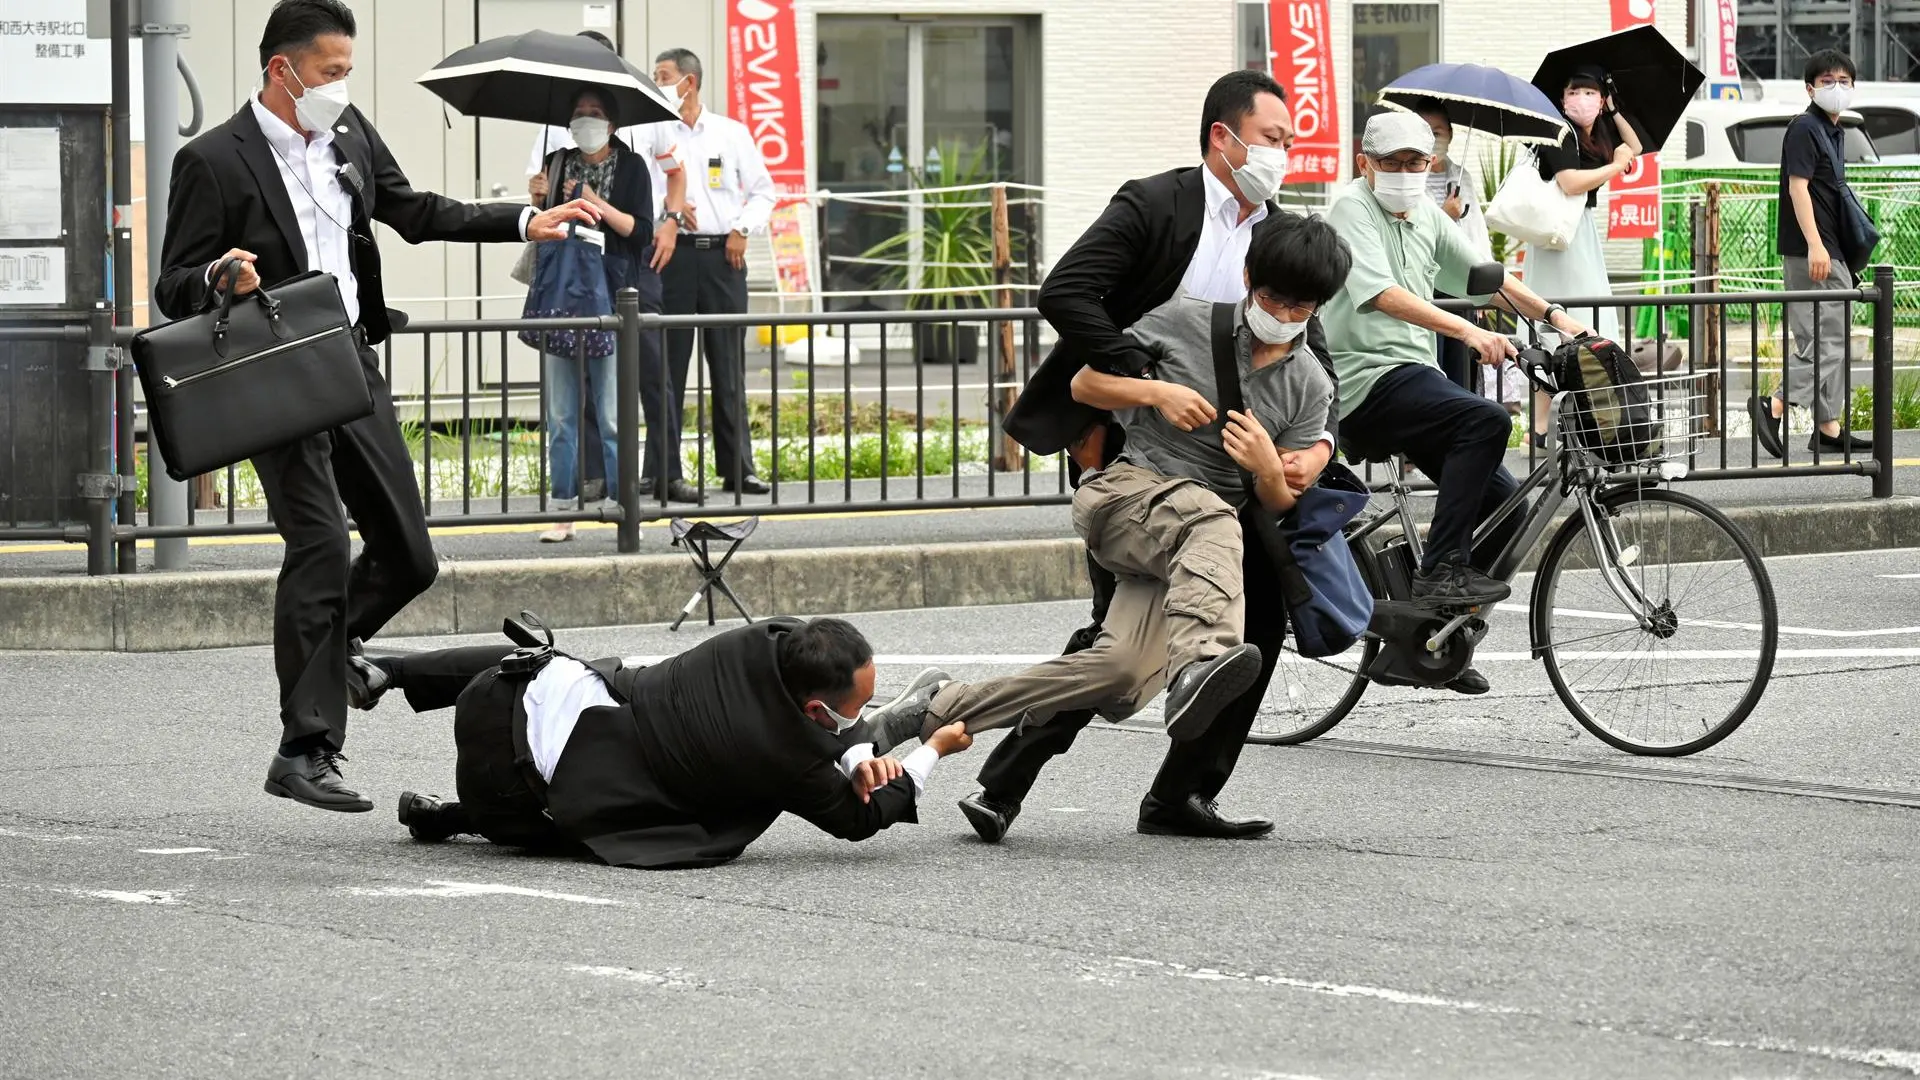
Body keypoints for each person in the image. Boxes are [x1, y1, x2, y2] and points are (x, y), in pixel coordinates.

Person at [153, 0, 599, 813]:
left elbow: (416, 211)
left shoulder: (349, 134)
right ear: (281, 69)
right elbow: (173, 282)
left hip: (350, 361)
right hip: (273, 370)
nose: (341, 86)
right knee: (320, 544)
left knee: (409, 554)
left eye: (347, 72)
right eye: (330, 72)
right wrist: (222, 276)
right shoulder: (214, 159)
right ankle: (306, 747)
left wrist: (527, 219)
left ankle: (333, 653)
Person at [867, 215, 1346, 841]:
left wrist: (1264, 467)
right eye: (1272, 297)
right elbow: (1084, 382)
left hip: (1192, 545)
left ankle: (935, 706)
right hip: (1125, 497)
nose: (1282, 313)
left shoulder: (1309, 383)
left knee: (1116, 669)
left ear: (1318, 306)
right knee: (1212, 519)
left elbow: (1280, 500)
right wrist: (1156, 395)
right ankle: (1203, 660)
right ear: (1249, 279)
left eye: (1300, 305)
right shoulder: (1186, 319)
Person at [967, 71, 1342, 844]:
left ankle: (1183, 793)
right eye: (1272, 139)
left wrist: (1320, 447)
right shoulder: (1157, 205)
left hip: (1238, 469)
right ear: (1223, 137)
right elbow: (1066, 292)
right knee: (1119, 629)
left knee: (1260, 619)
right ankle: (1006, 781)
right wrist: (1144, 382)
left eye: (1288, 143)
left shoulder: (1278, 231)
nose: (1282, 155)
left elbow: (1316, 348)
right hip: (1140, 452)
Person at [1324, 112, 1591, 692]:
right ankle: (1439, 574)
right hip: (1363, 382)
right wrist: (1468, 332)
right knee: (1486, 418)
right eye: (1390, 164)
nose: (1404, 174)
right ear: (1365, 163)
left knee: (1509, 507)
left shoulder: (1423, 213)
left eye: (1415, 163)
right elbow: (1380, 294)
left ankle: (1434, 642)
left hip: (1413, 378)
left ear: (1430, 165)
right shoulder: (1350, 209)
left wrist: (1556, 318)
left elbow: (1481, 275)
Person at [366, 618, 973, 869]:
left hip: (491, 696)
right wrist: (934, 750)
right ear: (815, 710)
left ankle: (390, 671)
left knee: (551, 664)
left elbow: (802, 658)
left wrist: (856, 750)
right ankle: (456, 815)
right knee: (605, 809)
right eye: (857, 708)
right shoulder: (785, 758)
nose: (856, 712)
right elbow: (859, 821)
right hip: (508, 799)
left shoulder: (759, 641)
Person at [518, 29, 695, 507]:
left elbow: (674, 176)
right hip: (571, 278)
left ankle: (664, 473)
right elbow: (541, 207)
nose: (587, 121)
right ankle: (589, 480)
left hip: (630, 272)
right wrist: (538, 198)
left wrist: (671, 223)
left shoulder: (646, 114)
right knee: (580, 387)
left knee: (650, 373)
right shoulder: (554, 135)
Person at [652, 48, 779, 498]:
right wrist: (667, 208)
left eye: (664, 75)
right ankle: (664, 471)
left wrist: (743, 229)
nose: (658, 82)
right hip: (671, 257)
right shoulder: (652, 132)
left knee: (728, 364)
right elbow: (641, 191)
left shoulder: (730, 133)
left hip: (725, 255)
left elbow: (764, 191)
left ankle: (737, 467)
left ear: (690, 80)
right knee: (667, 367)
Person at [1753, 48, 1875, 457]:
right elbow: (1797, 187)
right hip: (1814, 251)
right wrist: (1816, 245)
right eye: (1827, 82)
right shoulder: (1806, 127)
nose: (1836, 88)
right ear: (1810, 88)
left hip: (1829, 250)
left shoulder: (1832, 130)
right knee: (1827, 342)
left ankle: (1827, 426)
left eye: (1843, 81)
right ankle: (1775, 404)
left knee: (1829, 337)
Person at [1530, 64, 1640, 442]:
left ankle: (1565, 423)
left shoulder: (1597, 133)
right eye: (1575, 92)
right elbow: (1570, 182)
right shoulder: (1557, 132)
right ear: (1562, 98)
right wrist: (1614, 166)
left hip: (1580, 233)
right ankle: (1541, 427)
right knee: (1556, 325)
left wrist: (1612, 108)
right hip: (1559, 239)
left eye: (1590, 92)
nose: (1582, 99)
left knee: (1583, 323)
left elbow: (1635, 146)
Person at [1408, 99, 1493, 391]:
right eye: (1426, 131)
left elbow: (1476, 231)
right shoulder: (1407, 178)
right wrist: (1445, 214)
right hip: (1422, 285)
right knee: (1431, 360)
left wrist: (1484, 284)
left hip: (1458, 283)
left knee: (1460, 362)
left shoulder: (1461, 177)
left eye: (1439, 132)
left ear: (1451, 135)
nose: (1433, 139)